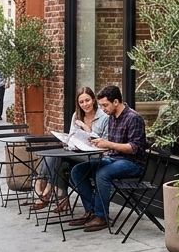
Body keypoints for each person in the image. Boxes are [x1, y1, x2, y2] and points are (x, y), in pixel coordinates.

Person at [68, 85, 147, 232]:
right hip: (113, 159)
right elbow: (109, 144)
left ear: (116, 102)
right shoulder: (112, 117)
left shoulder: (133, 118)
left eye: (105, 105)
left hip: (132, 163)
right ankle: (91, 211)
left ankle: (101, 216)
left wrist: (109, 144)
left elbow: (134, 148)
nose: (102, 109)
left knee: (102, 173)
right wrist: (95, 143)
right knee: (77, 170)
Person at [31, 86, 108, 214]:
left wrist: (84, 127)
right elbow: (73, 137)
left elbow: (104, 143)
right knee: (61, 162)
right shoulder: (76, 116)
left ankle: (46, 187)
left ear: (94, 100)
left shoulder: (104, 116)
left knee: (59, 157)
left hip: (96, 155)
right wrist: (67, 141)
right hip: (77, 154)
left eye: (87, 100)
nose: (85, 104)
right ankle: (61, 198)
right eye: (81, 102)